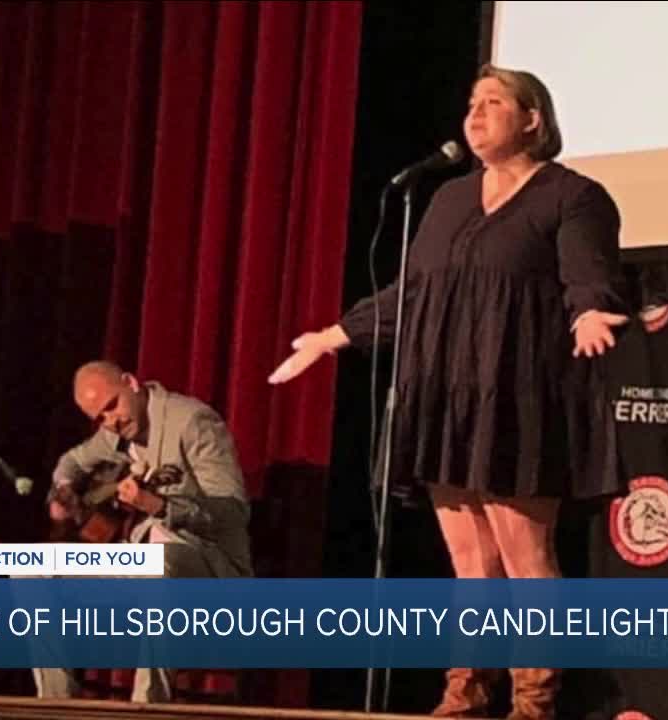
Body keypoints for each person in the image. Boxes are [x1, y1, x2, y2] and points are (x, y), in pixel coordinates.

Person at [269, 64, 627, 720]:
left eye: (494, 102)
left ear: (533, 119)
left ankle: (534, 702)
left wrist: (589, 312)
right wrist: (334, 335)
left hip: (518, 398)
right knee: (471, 563)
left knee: (525, 558)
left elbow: (588, 274)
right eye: (471, 102)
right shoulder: (448, 199)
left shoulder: (572, 196)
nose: (476, 113)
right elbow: (414, 294)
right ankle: (465, 696)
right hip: (446, 400)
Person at [34, 360, 254, 703]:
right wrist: (64, 487)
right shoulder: (113, 433)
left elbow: (232, 512)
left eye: (112, 406)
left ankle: (147, 706)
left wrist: (160, 506)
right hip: (141, 562)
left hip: (209, 569)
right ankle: (56, 703)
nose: (112, 421)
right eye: (100, 418)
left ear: (131, 383)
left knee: (157, 561)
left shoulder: (193, 422)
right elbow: (72, 461)